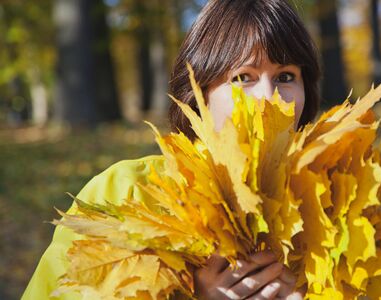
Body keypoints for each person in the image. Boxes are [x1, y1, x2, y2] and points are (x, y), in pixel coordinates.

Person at [22, 0, 321, 299]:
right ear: (200, 91)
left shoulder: (332, 202)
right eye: (243, 77)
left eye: (286, 77)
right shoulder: (127, 192)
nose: (268, 98)